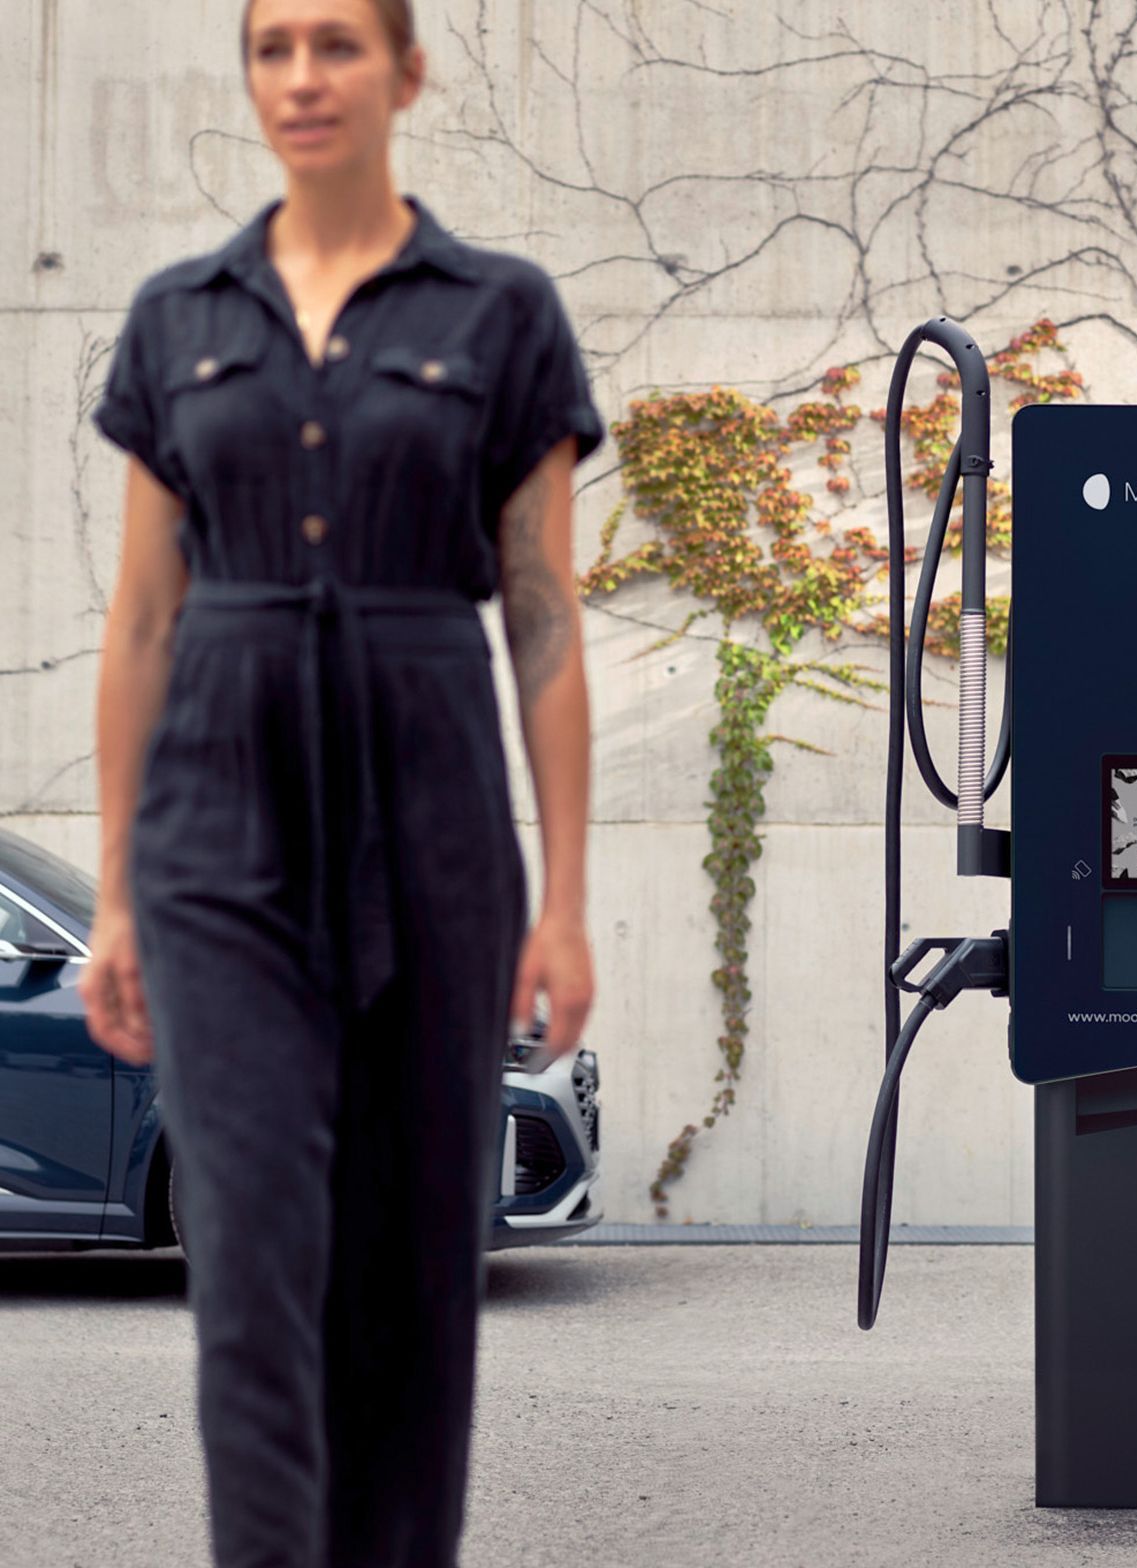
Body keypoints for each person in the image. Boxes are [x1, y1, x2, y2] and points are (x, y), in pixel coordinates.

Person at [79, 1, 602, 1562]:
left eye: (337, 44)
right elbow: (143, 621)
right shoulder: (178, 319)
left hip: (436, 828)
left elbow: (544, 621)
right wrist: (116, 894)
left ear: (406, 73)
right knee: (250, 1269)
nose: (302, 77)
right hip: (215, 843)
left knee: (416, 1276)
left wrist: (566, 901)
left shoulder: (501, 315)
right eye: (273, 47)